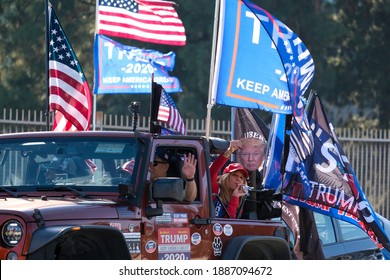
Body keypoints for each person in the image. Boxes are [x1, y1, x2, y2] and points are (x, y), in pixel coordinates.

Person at [121, 148, 197, 203]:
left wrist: (190, 178)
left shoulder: (172, 186)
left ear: (166, 167)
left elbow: (188, 198)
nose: (149, 166)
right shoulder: (138, 184)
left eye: (154, 163)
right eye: (146, 163)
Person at [210, 140, 248, 218]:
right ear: (226, 177)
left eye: (241, 177)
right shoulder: (216, 189)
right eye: (234, 175)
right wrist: (229, 151)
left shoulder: (240, 198)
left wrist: (235, 196)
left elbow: (229, 226)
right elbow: (212, 171)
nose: (238, 179)